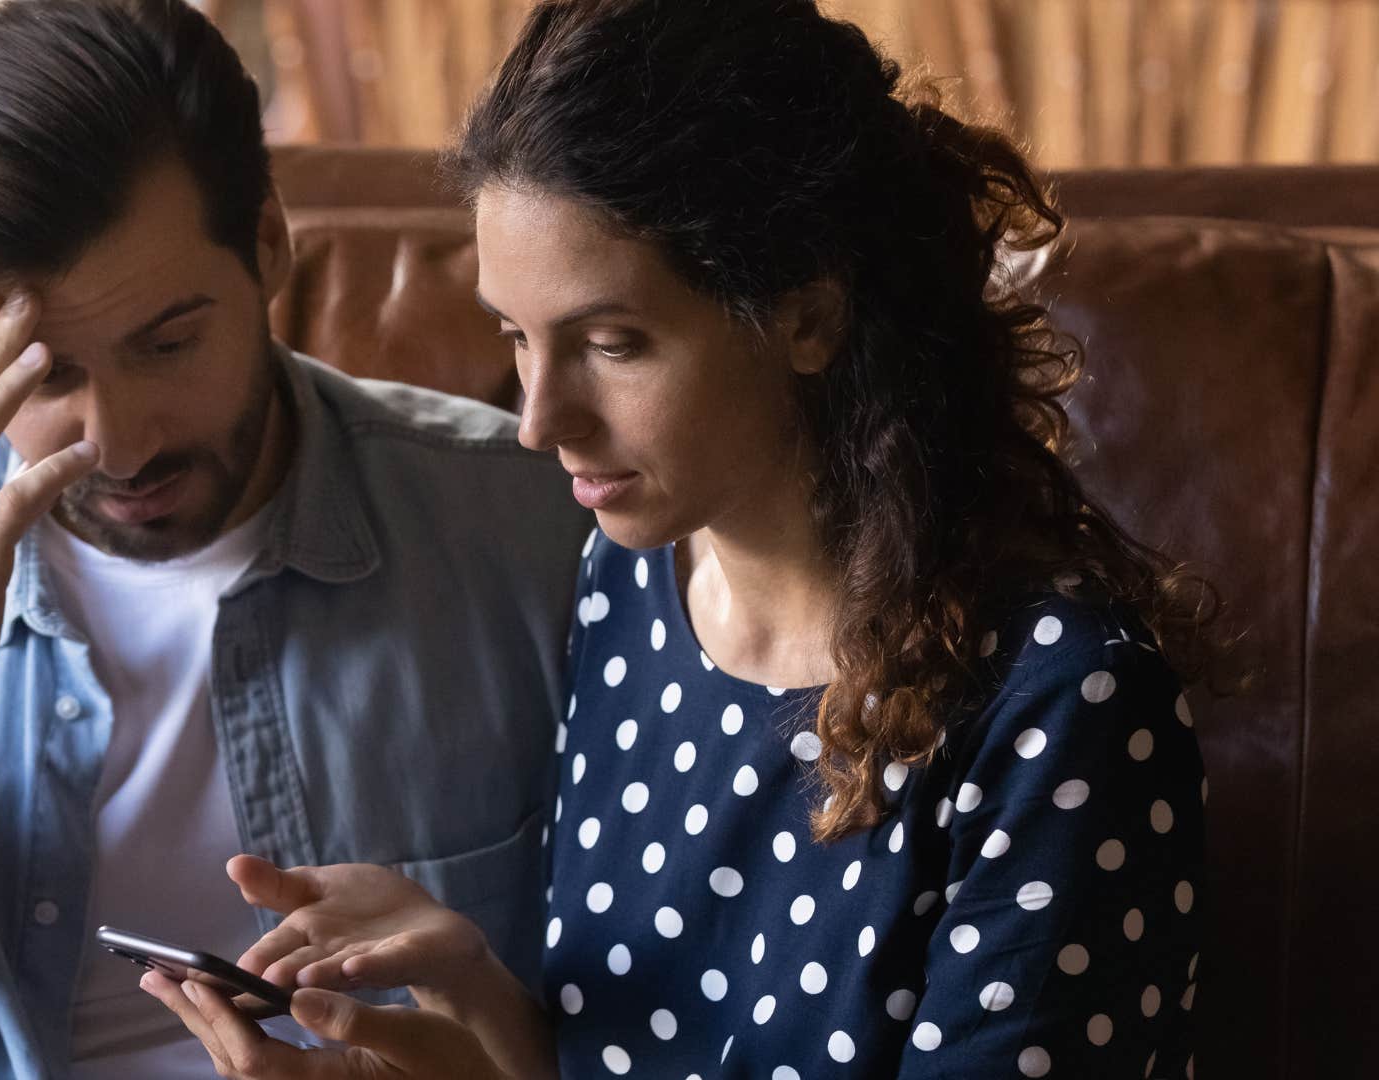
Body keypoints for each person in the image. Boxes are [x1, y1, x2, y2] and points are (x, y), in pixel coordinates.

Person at [143, 1, 1215, 1077]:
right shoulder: (632, 572)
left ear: (806, 318)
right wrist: (468, 985)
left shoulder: (1065, 705)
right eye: (516, 337)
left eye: (614, 344)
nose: (537, 419)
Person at [0, 1, 590, 1076]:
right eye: (46, 372)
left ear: (269, 246)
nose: (120, 442)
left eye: (169, 342)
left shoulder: (530, 529)